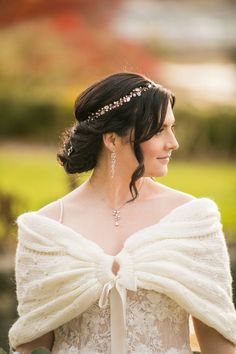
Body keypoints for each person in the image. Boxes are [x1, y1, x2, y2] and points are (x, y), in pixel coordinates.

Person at [9, 72, 236, 354]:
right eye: (158, 130)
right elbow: (34, 347)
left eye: (172, 127)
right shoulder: (45, 230)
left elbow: (221, 346)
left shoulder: (193, 222)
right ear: (112, 140)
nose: (173, 142)